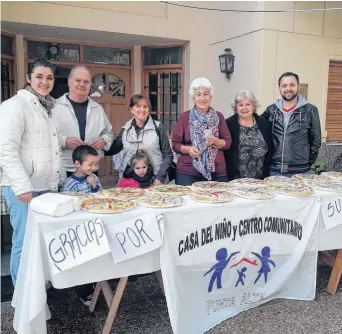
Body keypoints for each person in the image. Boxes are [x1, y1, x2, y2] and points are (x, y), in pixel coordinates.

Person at [0, 59, 66, 285]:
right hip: (23, 189)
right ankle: (21, 297)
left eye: (49, 77)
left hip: (46, 185)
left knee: (41, 241)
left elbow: (46, 142)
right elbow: (5, 150)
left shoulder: (49, 107)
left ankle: (37, 289)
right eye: (39, 76)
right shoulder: (14, 106)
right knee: (24, 242)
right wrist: (22, 186)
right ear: (29, 78)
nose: (44, 82)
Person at [51, 65, 113, 177]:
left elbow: (108, 132)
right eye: (78, 80)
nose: (82, 84)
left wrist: (103, 140)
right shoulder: (54, 107)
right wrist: (64, 141)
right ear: (69, 82)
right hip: (64, 169)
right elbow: (45, 136)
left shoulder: (98, 109)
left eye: (86, 81)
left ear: (90, 85)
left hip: (91, 169)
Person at [60, 145, 101, 305]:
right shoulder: (69, 183)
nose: (94, 167)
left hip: (93, 223)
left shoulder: (94, 179)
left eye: (95, 164)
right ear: (77, 164)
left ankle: (96, 285)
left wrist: (94, 187)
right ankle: (84, 292)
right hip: (78, 226)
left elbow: (101, 196)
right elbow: (65, 203)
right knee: (81, 258)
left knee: (94, 255)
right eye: (90, 164)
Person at [172, 77, 232, 186]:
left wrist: (215, 141)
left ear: (210, 96)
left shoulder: (219, 117)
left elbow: (227, 143)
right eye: (198, 94)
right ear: (193, 98)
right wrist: (188, 149)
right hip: (188, 172)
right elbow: (175, 144)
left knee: (218, 202)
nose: (202, 98)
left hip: (217, 172)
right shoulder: (184, 117)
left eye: (206, 94)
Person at [262, 72, 321, 176]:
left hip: (300, 172)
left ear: (298, 86)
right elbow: (256, 127)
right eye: (284, 85)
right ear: (279, 88)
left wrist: (306, 163)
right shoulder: (271, 110)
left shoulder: (310, 110)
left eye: (292, 85)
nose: (288, 88)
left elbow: (316, 141)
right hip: (274, 170)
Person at [105, 94, 173, 184]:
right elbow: (113, 149)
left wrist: (160, 177)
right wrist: (99, 143)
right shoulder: (126, 128)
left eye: (145, 107)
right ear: (131, 110)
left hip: (154, 180)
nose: (142, 110)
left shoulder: (158, 127)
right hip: (129, 181)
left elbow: (168, 155)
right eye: (138, 106)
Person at [225, 90, 272, 180]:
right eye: (240, 105)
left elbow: (270, 151)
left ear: (254, 106)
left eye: (248, 104)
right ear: (236, 107)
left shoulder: (264, 124)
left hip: (260, 180)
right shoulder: (229, 124)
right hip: (235, 180)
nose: (244, 108)